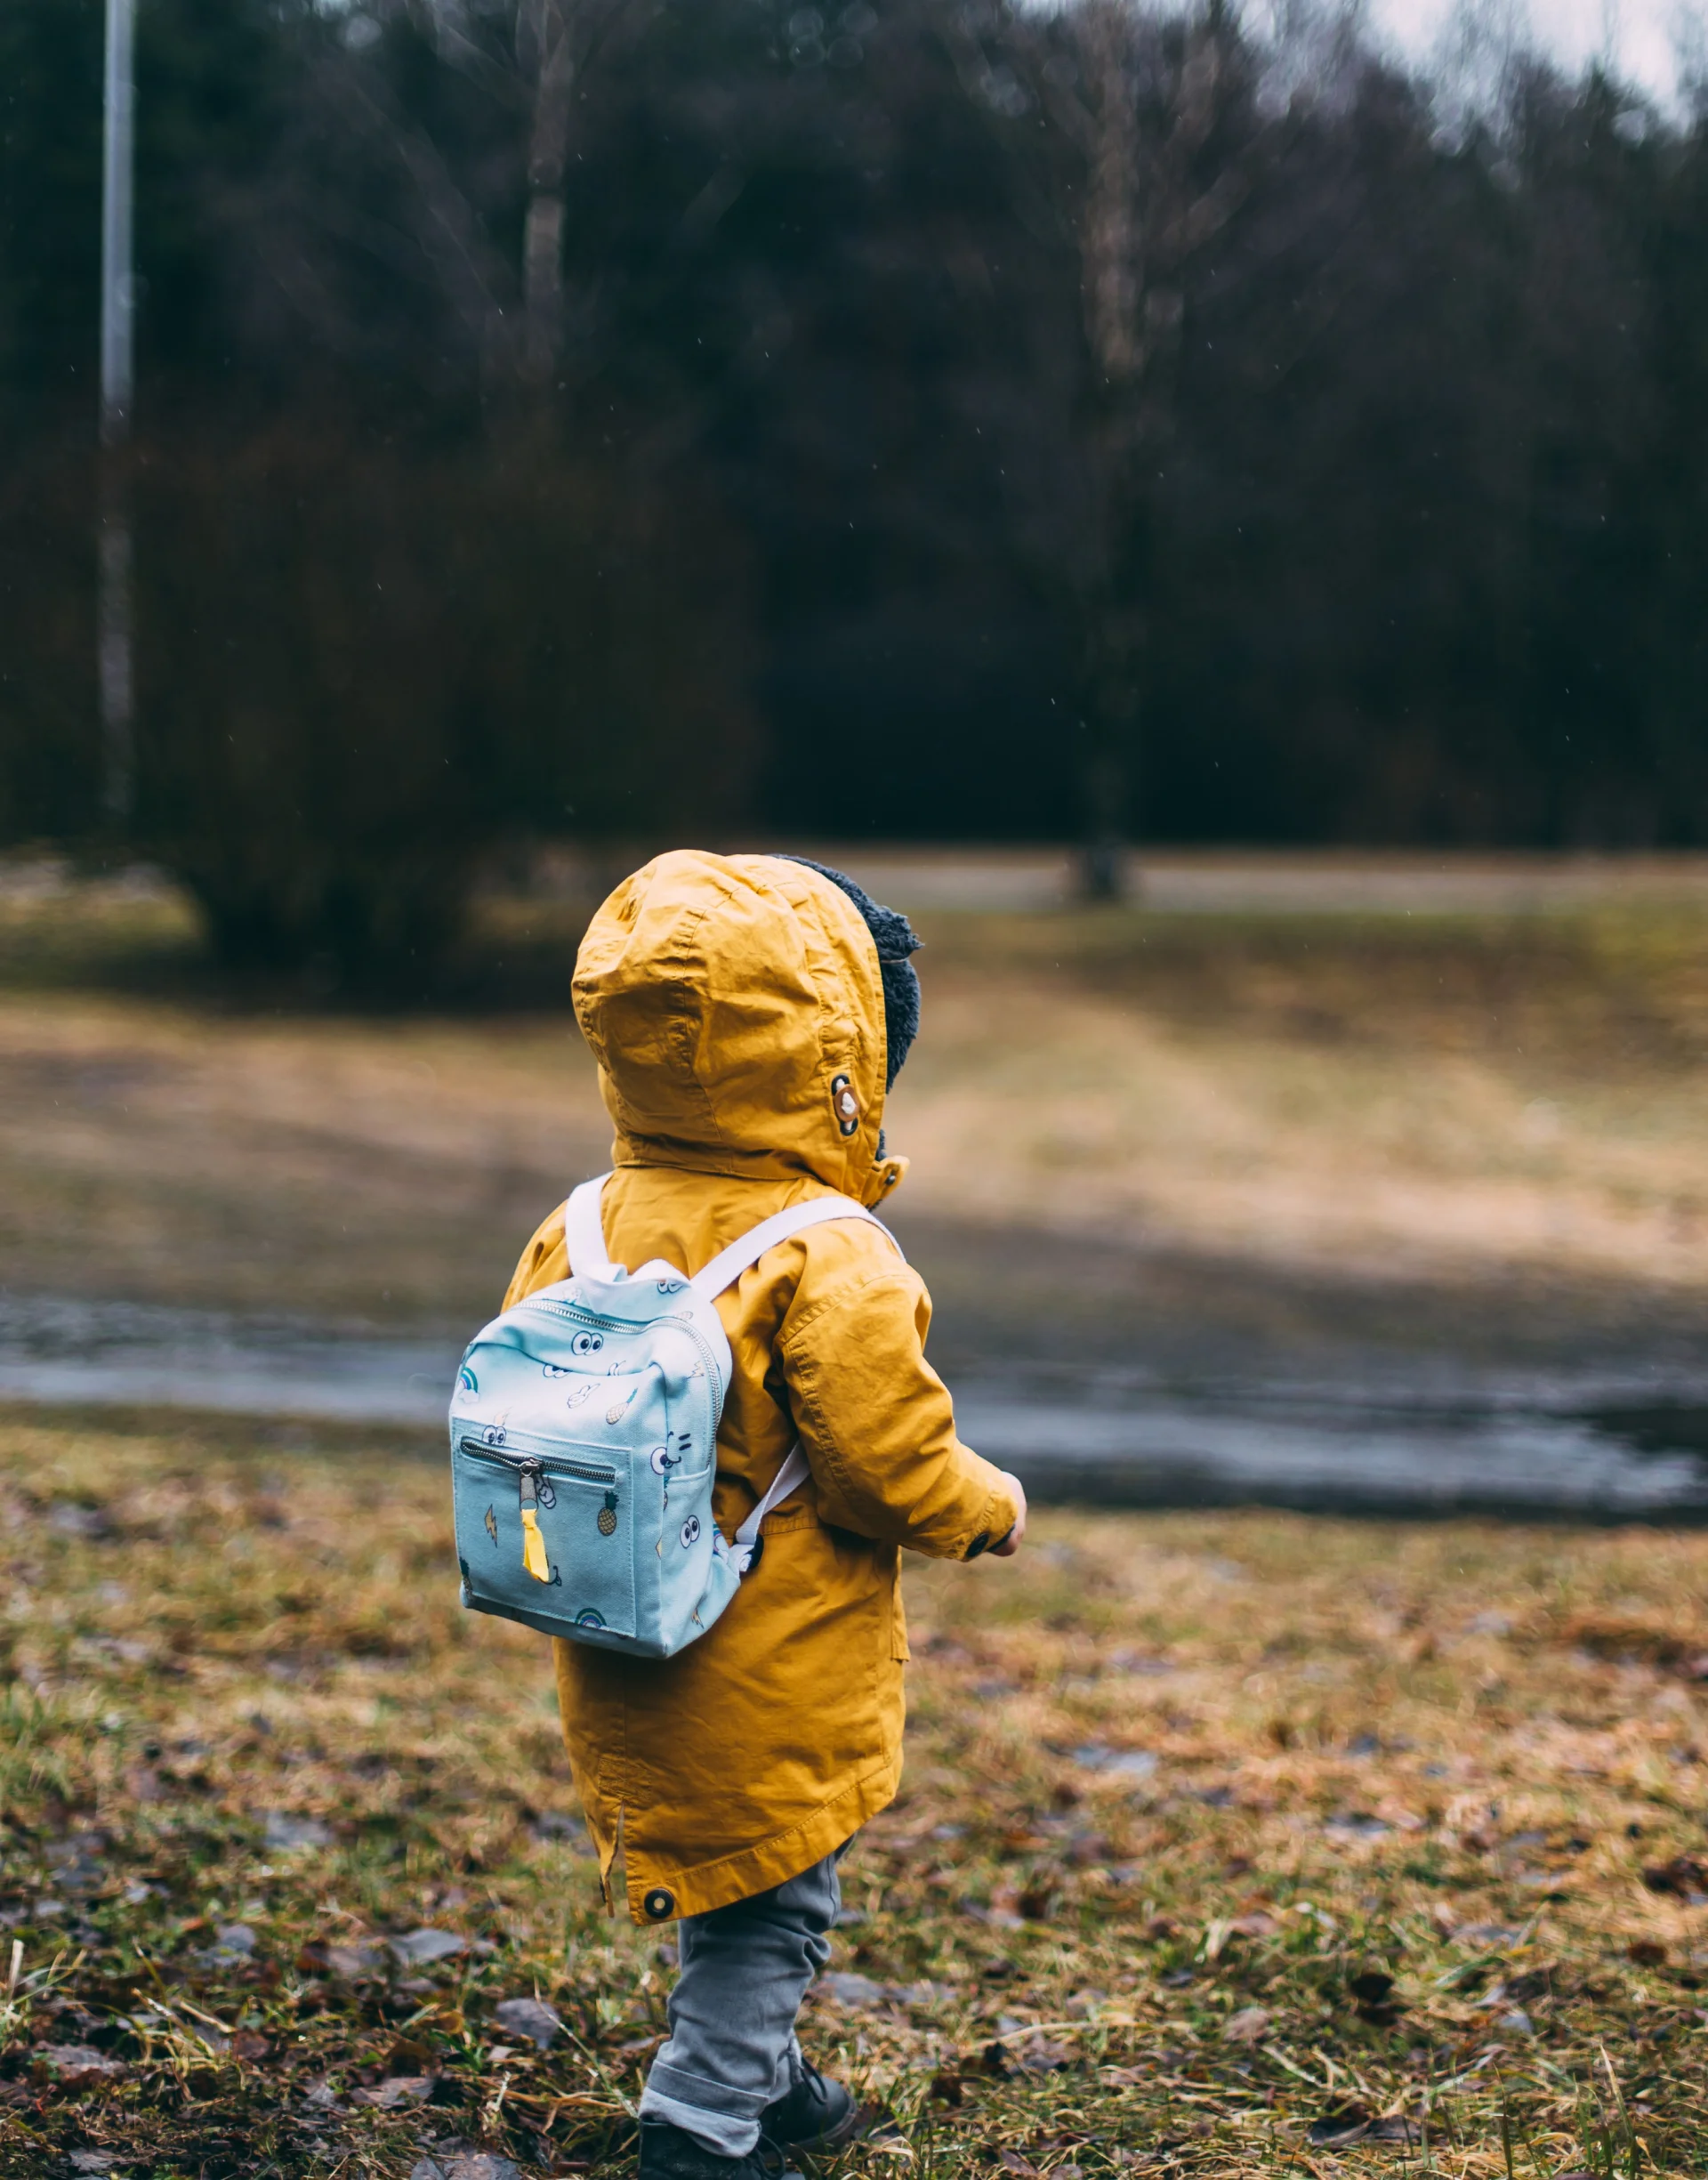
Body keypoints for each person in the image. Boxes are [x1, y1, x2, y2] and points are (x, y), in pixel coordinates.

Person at [501, 850, 1027, 2180]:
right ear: (840, 1058)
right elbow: (888, 1463)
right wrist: (989, 1506)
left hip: (620, 1628)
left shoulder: (582, 1225)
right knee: (778, 1898)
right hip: (769, 1650)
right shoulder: (825, 1249)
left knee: (734, 1870)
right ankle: (703, 2120)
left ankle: (768, 2076)